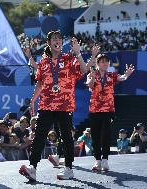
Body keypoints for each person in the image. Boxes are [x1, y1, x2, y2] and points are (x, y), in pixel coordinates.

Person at [19, 30, 94, 181]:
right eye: (54, 38)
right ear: (49, 43)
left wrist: (79, 53)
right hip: (46, 104)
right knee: (39, 135)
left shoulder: (69, 58)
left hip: (64, 105)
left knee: (66, 137)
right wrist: (33, 99)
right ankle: (33, 167)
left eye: (60, 38)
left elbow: (84, 70)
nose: (58, 41)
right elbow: (40, 82)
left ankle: (68, 168)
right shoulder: (44, 62)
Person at [86, 53, 134, 172]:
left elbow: (121, 78)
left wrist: (126, 75)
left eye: (107, 62)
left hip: (108, 110)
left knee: (106, 135)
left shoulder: (111, 75)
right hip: (95, 110)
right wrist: (91, 79)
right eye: (102, 62)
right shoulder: (92, 74)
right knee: (96, 136)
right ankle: (97, 160)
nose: (105, 63)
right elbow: (89, 85)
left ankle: (105, 160)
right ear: (98, 64)